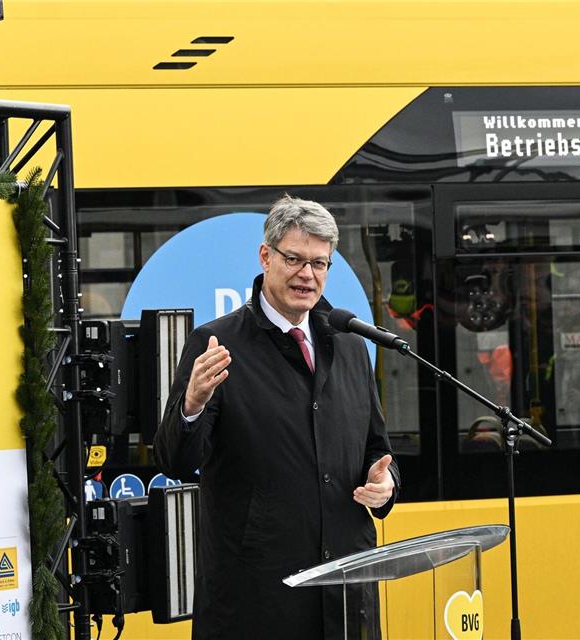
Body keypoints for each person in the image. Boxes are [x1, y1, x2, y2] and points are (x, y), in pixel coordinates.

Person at [154, 195, 400, 640]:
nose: (307, 275)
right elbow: (173, 459)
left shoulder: (349, 343)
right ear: (265, 256)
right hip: (258, 601)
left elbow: (376, 448)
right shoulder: (216, 342)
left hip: (345, 595)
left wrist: (386, 485)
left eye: (320, 264)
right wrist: (190, 405)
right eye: (295, 259)